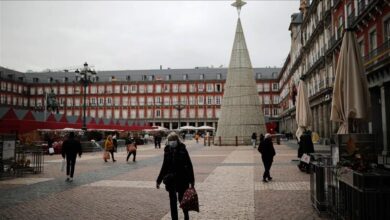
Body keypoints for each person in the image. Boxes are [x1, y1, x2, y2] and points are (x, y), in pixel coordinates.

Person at [156, 132, 195, 220]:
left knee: (182, 200)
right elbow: (164, 166)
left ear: (177, 140)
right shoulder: (167, 150)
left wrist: (192, 181)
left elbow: (189, 165)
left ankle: (186, 215)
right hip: (171, 180)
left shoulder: (183, 149)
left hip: (182, 179)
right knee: (172, 202)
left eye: (173, 140)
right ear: (168, 141)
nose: (172, 142)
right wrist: (158, 180)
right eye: (170, 141)